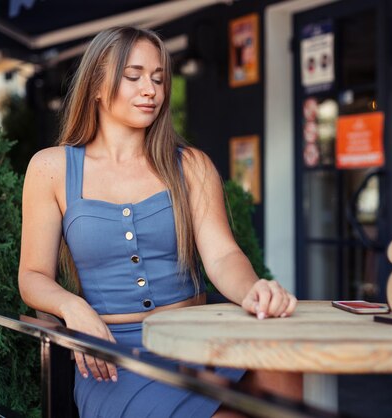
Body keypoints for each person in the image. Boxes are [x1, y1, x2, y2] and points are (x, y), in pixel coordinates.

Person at [18, 26, 298, 418]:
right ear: (97, 85)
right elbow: (32, 275)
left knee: (285, 369)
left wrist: (253, 290)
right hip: (114, 358)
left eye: (158, 78)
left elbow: (222, 255)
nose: (150, 89)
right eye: (133, 77)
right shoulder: (51, 168)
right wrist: (72, 307)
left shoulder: (190, 165)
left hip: (198, 339)